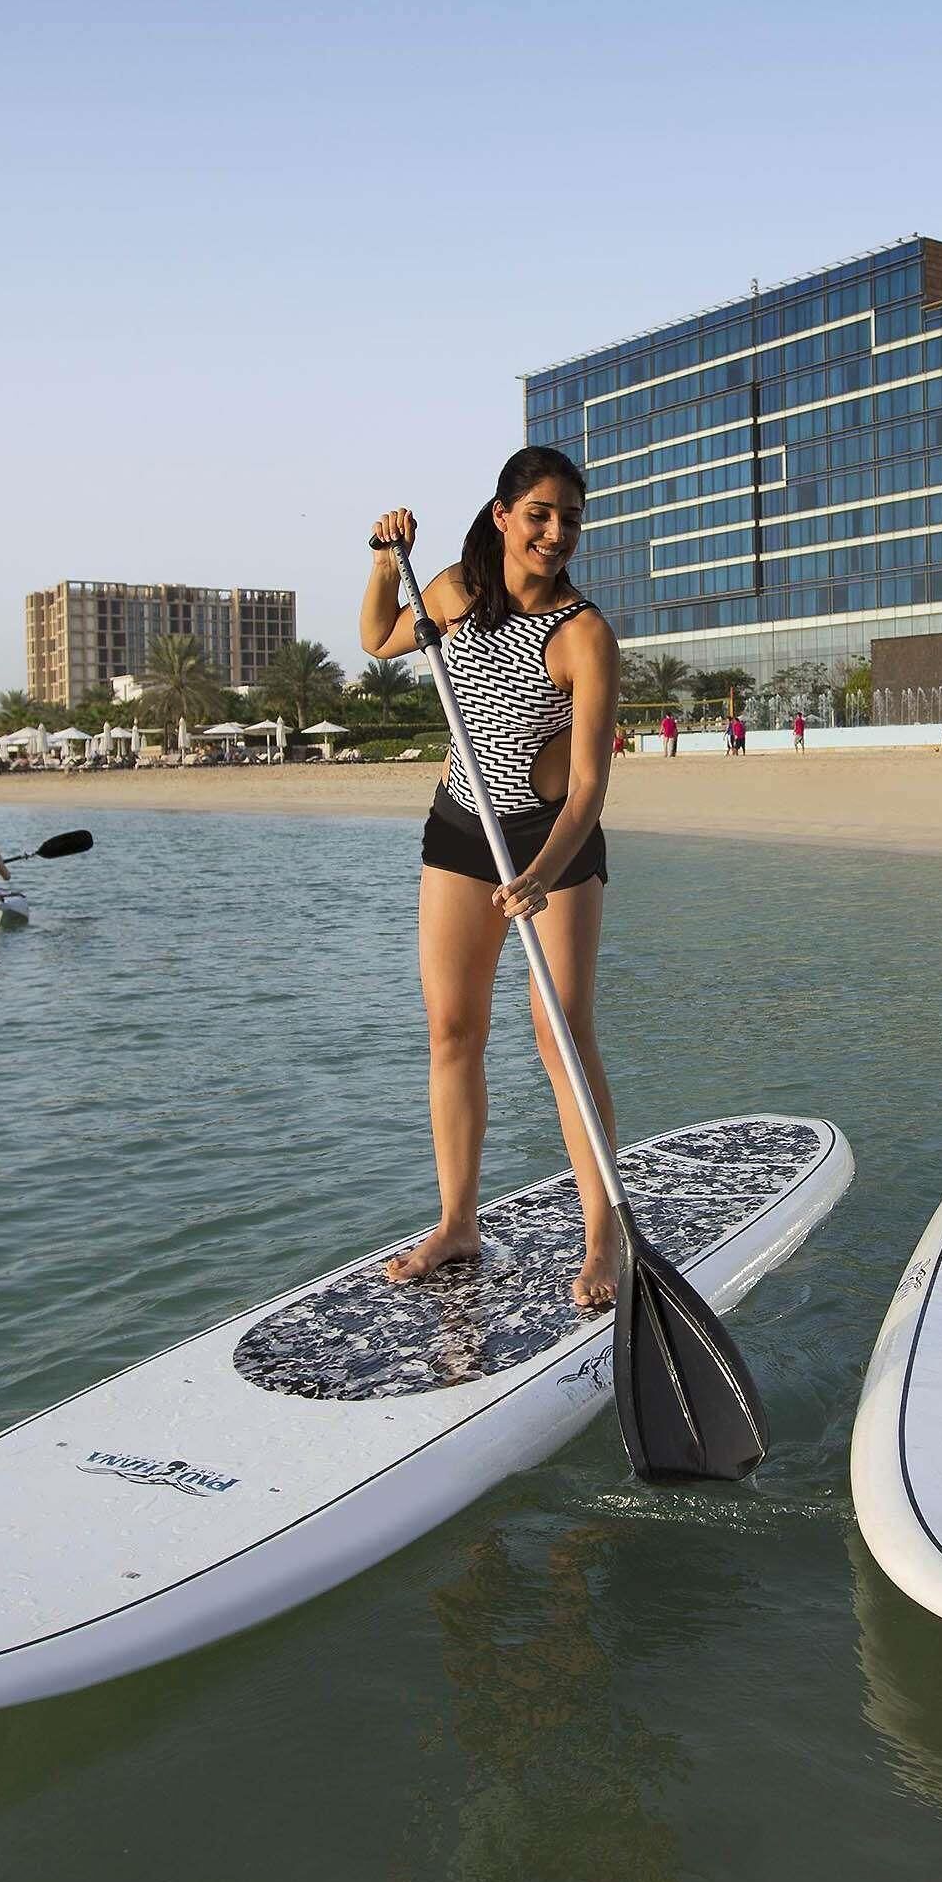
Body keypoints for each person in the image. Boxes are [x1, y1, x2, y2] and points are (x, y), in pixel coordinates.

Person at [361, 446, 625, 1311]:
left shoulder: (585, 634)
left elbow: (589, 787)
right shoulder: (450, 592)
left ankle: (602, 1235)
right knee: (451, 1028)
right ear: (503, 514)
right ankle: (458, 1221)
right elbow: (377, 638)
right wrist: (378, 560)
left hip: (553, 844)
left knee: (562, 1038)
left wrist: (544, 876)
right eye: (542, 514)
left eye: (571, 520)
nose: (557, 533)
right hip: (460, 830)